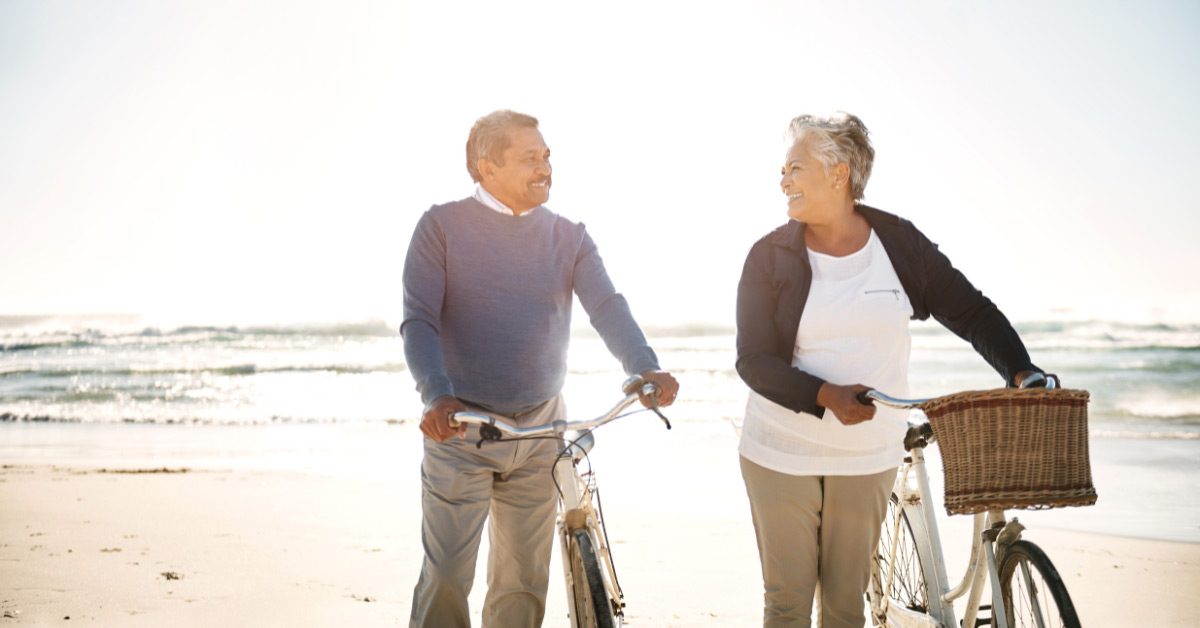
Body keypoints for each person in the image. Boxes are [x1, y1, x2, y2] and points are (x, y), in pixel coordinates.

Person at [735, 112, 1050, 628]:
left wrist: (1020, 369)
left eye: (795, 168)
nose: (783, 180)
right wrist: (825, 395)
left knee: (843, 608)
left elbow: (969, 310)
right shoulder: (768, 256)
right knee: (788, 606)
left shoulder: (899, 245)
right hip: (781, 452)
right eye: (783, 170)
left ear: (838, 174)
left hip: (867, 454)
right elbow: (754, 360)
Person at [401, 109, 679, 628]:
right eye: (530, 157)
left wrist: (644, 367)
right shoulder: (440, 227)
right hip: (461, 430)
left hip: (540, 428)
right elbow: (418, 321)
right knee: (445, 577)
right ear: (487, 168)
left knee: (523, 583)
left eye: (547, 156)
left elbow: (607, 306)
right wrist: (436, 395)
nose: (545, 166)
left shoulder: (569, 237)